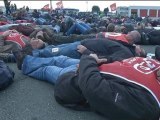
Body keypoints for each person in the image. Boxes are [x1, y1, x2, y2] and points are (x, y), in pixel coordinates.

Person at [13, 47, 160, 120]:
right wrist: (99, 60)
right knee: (61, 58)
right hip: (90, 66)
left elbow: (96, 90)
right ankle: (25, 60)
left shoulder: (150, 102)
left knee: (48, 70)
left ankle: (24, 64)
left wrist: (88, 61)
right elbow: (122, 62)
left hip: (78, 81)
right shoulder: (155, 63)